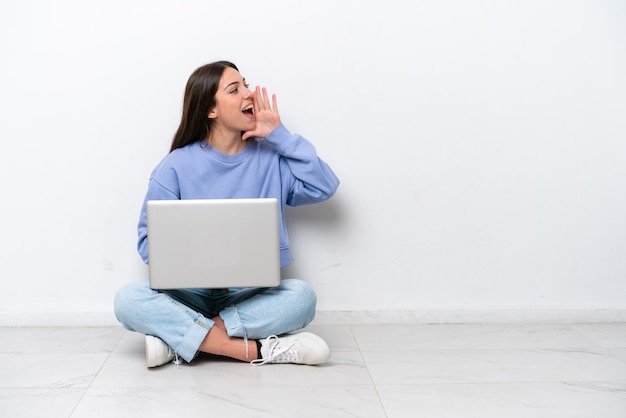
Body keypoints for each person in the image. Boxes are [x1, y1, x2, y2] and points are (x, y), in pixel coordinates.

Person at [113, 60, 340, 368]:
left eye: (246, 84)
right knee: (127, 300)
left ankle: (183, 342)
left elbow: (324, 186)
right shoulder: (175, 166)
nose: (249, 94)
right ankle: (250, 350)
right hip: (187, 296)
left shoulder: (272, 158)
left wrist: (281, 136)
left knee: (302, 297)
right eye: (235, 89)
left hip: (248, 296)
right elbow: (147, 243)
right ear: (211, 110)